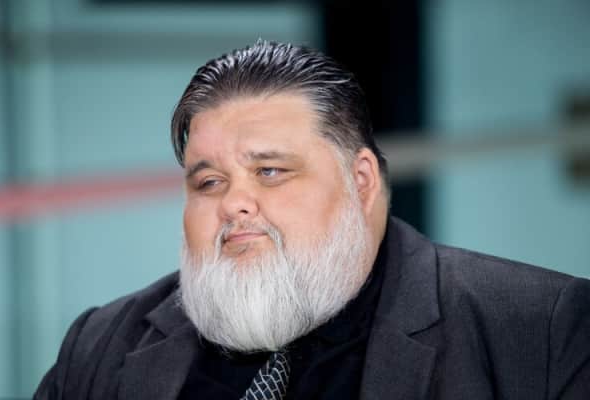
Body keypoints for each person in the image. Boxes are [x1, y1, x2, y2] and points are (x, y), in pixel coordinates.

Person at [34, 40, 590, 400]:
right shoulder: (99, 346)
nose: (234, 203)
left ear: (361, 180)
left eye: (270, 171)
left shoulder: (541, 330)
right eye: (209, 182)